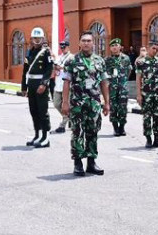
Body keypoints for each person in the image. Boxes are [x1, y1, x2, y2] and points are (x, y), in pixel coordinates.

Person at [60, 30, 110, 176]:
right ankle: (78, 163)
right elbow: (66, 82)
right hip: (77, 104)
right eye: (84, 41)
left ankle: (91, 162)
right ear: (79, 43)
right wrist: (65, 102)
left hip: (94, 104)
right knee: (77, 132)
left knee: (93, 132)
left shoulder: (100, 61)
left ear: (93, 43)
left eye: (89, 41)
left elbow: (104, 83)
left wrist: (107, 103)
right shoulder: (72, 61)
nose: (86, 43)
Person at [21, 28, 54, 147]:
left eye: (39, 38)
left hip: (41, 84)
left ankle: (46, 137)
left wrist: (44, 84)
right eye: (35, 38)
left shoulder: (46, 52)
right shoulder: (29, 52)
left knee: (42, 111)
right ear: (31, 39)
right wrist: (24, 87)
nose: (37, 40)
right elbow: (25, 71)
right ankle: (37, 135)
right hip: (31, 84)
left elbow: (49, 69)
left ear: (43, 39)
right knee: (33, 110)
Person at [136, 41, 158, 149]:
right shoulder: (141, 62)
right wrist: (138, 95)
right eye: (153, 48)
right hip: (146, 94)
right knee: (147, 117)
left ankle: (157, 139)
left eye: (157, 49)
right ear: (148, 48)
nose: (155, 51)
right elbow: (138, 78)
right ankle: (148, 139)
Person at [105, 38, 132, 136]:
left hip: (123, 87)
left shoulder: (126, 58)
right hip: (111, 88)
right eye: (112, 46)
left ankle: (122, 127)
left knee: (123, 108)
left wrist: (123, 80)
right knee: (113, 108)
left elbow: (129, 70)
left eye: (116, 45)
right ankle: (115, 128)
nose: (114, 47)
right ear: (110, 48)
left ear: (120, 47)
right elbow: (104, 74)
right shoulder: (107, 60)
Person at [51, 39, 72, 134]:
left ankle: (62, 125)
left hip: (67, 85)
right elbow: (56, 68)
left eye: (64, 47)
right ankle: (68, 117)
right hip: (58, 83)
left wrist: (62, 68)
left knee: (66, 104)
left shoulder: (72, 57)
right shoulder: (59, 57)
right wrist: (55, 69)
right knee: (56, 103)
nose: (63, 49)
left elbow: (72, 69)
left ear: (68, 47)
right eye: (61, 47)